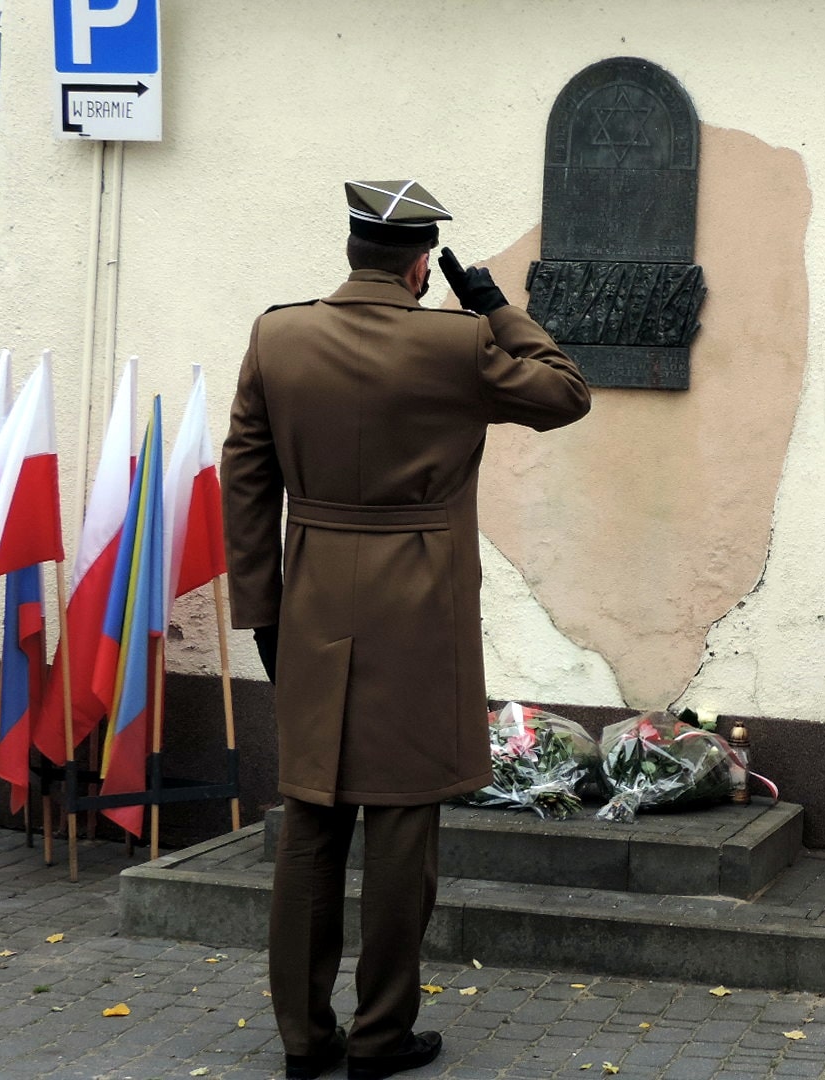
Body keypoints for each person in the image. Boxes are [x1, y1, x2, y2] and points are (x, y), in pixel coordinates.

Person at [221, 180, 591, 1080]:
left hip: (311, 602)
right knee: (398, 821)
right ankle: (381, 1036)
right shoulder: (458, 343)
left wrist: (262, 610)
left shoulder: (279, 334)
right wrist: (497, 307)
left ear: (354, 252)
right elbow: (566, 393)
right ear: (424, 262)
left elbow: (245, 478)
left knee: (313, 815)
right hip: (418, 608)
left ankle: (304, 1040)